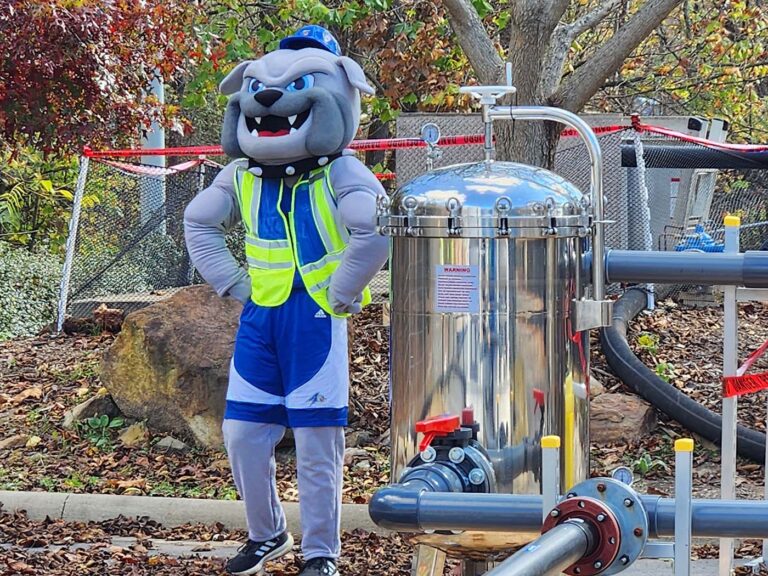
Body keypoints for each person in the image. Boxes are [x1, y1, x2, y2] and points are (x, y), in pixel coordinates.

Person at [183, 25, 389, 576]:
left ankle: (321, 553)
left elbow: (375, 229)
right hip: (261, 317)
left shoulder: (340, 170)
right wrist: (231, 282)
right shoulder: (241, 175)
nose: (272, 99)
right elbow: (198, 222)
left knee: (318, 441)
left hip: (317, 318)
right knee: (243, 434)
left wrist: (342, 290)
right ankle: (267, 534)